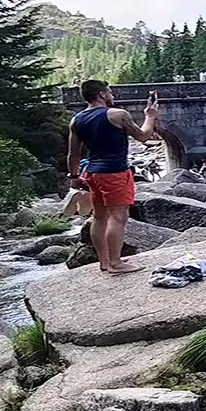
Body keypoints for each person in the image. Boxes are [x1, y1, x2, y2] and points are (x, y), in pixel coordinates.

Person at [68, 80, 161, 274]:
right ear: (101, 95)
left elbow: (73, 154)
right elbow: (143, 136)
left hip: (92, 173)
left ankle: (104, 262)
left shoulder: (77, 120)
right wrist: (150, 116)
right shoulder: (118, 115)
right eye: (109, 92)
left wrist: (74, 176)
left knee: (99, 218)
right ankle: (116, 263)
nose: (112, 96)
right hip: (115, 172)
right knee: (118, 217)